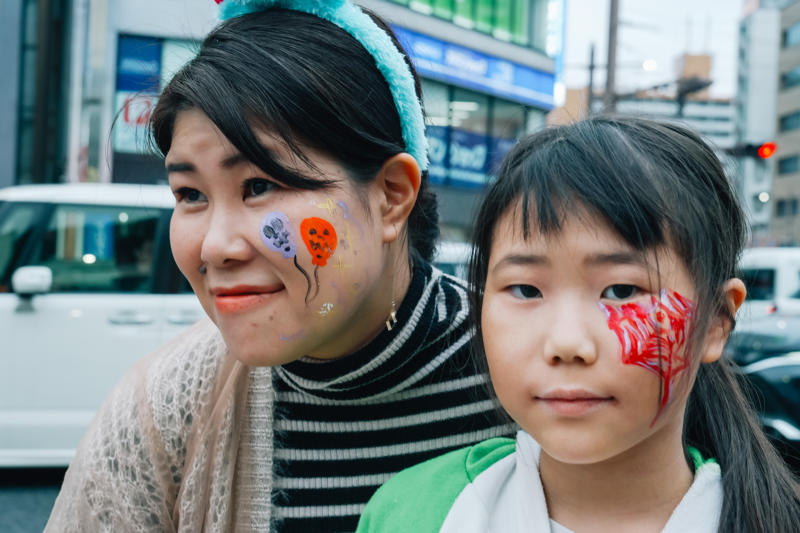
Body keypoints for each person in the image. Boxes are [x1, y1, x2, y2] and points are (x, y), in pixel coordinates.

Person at [45, 1, 514, 531]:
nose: (216, 247)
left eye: (260, 186)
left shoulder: (528, 373)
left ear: (390, 195)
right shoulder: (158, 415)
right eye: (190, 194)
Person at [357, 117, 800, 533]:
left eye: (622, 291)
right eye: (526, 290)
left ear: (717, 321)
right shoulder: (415, 512)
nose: (566, 343)